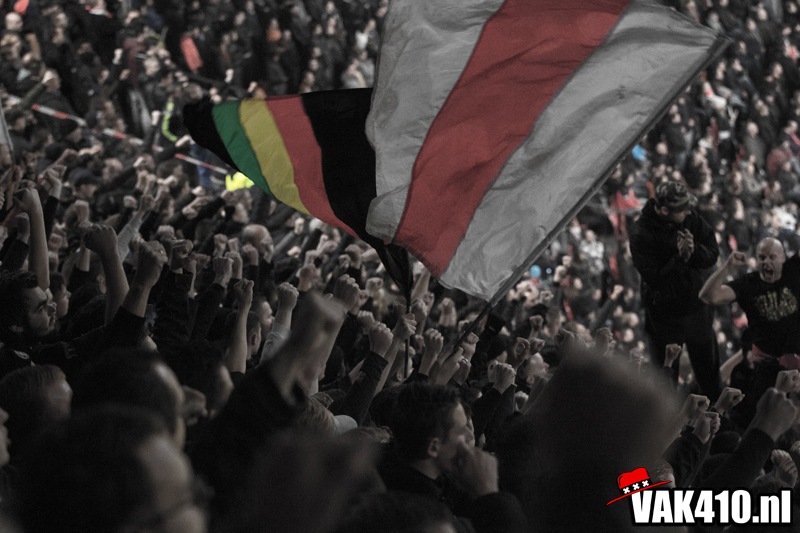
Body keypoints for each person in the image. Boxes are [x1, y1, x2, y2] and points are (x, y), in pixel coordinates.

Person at [630, 181, 722, 399]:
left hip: (696, 308)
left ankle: (716, 413)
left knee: (708, 373)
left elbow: (712, 252)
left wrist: (694, 252)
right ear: (664, 210)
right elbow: (655, 280)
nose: (689, 212)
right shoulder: (641, 234)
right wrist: (679, 259)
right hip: (664, 316)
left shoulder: (690, 218)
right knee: (666, 380)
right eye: (683, 210)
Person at [700, 237, 800, 422]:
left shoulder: (793, 270)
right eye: (762, 258)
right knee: (769, 420)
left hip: (796, 360)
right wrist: (728, 267)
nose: (766, 262)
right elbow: (708, 296)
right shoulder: (748, 284)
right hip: (768, 369)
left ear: (783, 258)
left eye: (772, 257)